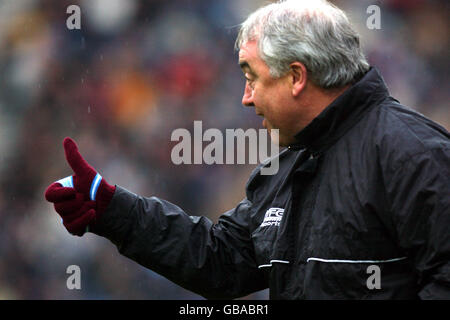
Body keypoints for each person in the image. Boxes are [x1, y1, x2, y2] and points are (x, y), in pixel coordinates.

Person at [45, 0, 450, 299]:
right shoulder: (287, 169)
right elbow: (222, 262)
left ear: (295, 77)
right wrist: (115, 210)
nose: (245, 98)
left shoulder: (415, 155)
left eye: (251, 77)